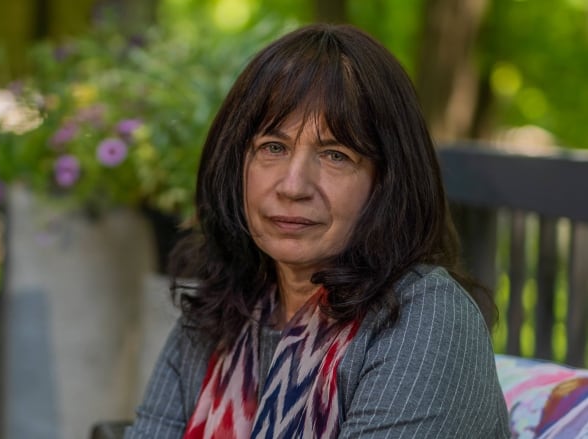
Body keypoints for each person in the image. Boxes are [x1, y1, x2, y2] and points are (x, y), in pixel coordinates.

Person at [125, 23, 510, 438]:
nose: (293, 186)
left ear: (387, 183)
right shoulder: (222, 309)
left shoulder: (426, 320)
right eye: (273, 147)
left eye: (335, 155)